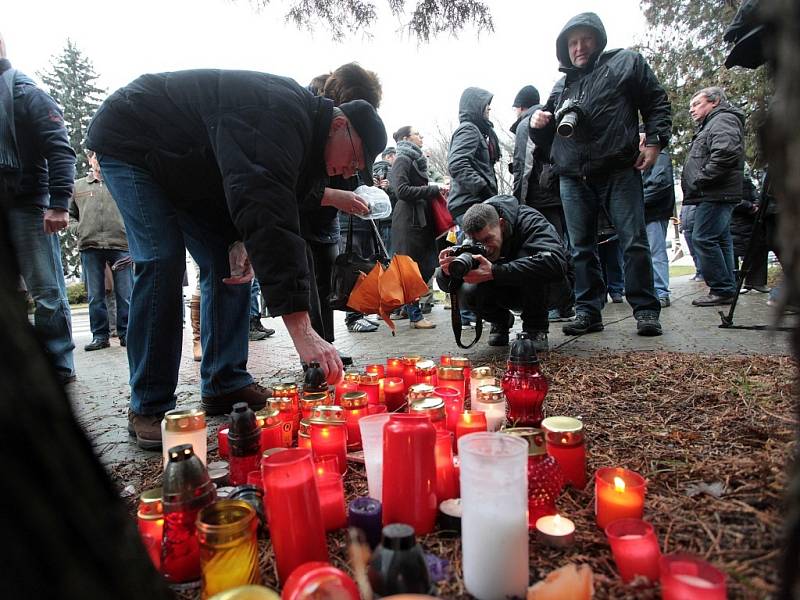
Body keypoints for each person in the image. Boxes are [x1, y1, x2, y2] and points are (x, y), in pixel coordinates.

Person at [85, 69, 386, 449]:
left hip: (190, 168)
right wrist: (303, 332)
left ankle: (224, 380)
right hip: (134, 142)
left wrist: (238, 238)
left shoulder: (306, 134)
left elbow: (276, 189)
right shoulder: (280, 113)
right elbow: (268, 211)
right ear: (339, 125)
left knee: (228, 265)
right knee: (162, 258)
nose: (349, 171)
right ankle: (148, 403)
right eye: (354, 159)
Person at [530, 12, 671, 337]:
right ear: (565, 48)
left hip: (618, 168)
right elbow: (548, 139)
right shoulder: (562, 85)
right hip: (572, 176)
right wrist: (539, 124)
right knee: (580, 247)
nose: (579, 47)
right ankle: (588, 311)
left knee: (634, 240)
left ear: (598, 39)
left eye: (585, 40)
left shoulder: (625, 63)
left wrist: (654, 140)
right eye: (572, 43)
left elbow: (655, 101)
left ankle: (646, 310)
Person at [0, 47, 77, 383]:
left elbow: (60, 149)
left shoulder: (25, 93)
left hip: (27, 204)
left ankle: (58, 365)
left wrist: (59, 203)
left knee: (46, 293)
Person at [435, 196, 567, 350]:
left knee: (531, 260)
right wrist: (447, 272)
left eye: (488, 239)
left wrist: (494, 271)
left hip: (554, 289)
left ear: (502, 224)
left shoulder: (530, 221)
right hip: (507, 287)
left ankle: (536, 328)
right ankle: (500, 320)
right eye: (478, 242)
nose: (485, 247)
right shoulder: (470, 236)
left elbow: (556, 263)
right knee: (467, 289)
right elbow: (448, 286)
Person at [510, 84, 576, 321]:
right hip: (557, 195)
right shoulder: (550, 116)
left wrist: (519, 204)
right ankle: (570, 302)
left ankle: (559, 304)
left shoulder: (527, 123)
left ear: (520, 107)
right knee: (565, 247)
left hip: (539, 199)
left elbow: (524, 166)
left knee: (547, 252)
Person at [681, 86, 744, 307]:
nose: (692, 110)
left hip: (716, 191)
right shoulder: (713, 123)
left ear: (714, 101)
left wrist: (701, 179)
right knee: (720, 239)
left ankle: (722, 289)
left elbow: (725, 152)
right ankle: (727, 286)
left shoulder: (722, 120)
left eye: (697, 104)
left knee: (703, 238)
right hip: (717, 191)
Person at [447, 86, 500, 328]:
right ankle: (469, 313)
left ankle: (472, 312)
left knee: (472, 256)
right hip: (469, 204)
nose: (489, 111)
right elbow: (457, 164)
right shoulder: (469, 130)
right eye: (486, 106)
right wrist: (483, 190)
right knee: (468, 257)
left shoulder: (479, 131)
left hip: (471, 203)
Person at [68, 151, 133, 350]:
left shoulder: (120, 182)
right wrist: (77, 229)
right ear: (90, 159)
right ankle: (100, 336)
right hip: (90, 246)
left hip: (120, 244)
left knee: (125, 294)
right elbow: (70, 215)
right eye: (95, 156)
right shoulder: (78, 186)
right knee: (95, 295)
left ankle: (126, 334)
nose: (98, 160)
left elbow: (133, 210)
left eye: (102, 155)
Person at [389, 126, 446, 329]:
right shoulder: (403, 159)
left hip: (420, 220)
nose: (422, 136)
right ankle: (414, 315)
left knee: (425, 266)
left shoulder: (415, 160)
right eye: (417, 133)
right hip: (408, 221)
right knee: (412, 269)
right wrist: (432, 189)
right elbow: (400, 189)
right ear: (406, 138)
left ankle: (407, 308)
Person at [640, 132, 676, 307]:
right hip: (644, 212)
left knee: (655, 252)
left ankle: (661, 292)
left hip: (653, 212)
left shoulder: (659, 156)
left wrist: (635, 202)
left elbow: (659, 184)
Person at [372, 146, 396, 251]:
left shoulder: (369, 172)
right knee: (391, 256)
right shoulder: (391, 171)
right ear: (389, 156)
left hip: (376, 221)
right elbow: (398, 195)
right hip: (390, 220)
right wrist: (390, 188)